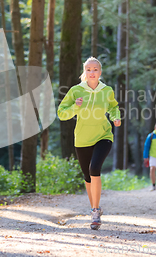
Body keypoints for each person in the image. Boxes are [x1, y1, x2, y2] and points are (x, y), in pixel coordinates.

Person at [57, 57, 121, 230]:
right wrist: (75, 107)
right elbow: (62, 113)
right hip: (82, 138)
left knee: (94, 169)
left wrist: (115, 117)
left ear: (100, 72)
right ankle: (96, 209)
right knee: (87, 177)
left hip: (103, 135)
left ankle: (94, 211)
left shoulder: (106, 90)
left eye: (95, 69)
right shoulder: (76, 91)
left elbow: (113, 107)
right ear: (84, 72)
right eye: (88, 69)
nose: (92, 72)